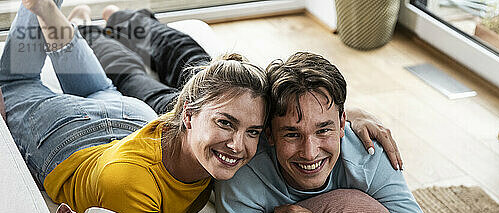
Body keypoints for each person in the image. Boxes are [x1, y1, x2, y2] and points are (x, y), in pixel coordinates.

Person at [1, 0, 281, 213]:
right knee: (15, 81)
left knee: (100, 90)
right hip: (72, 136)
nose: (238, 145)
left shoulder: (214, 148)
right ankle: (43, 8)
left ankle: (51, 11)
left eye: (252, 131)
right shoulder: (130, 183)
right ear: (187, 115)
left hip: (131, 119)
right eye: (225, 123)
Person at [215, 52, 444, 213]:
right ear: (269, 134)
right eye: (292, 135)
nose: (310, 152)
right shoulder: (243, 168)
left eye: (323, 129)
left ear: (343, 122)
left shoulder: (369, 155)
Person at [70, 4, 404, 170]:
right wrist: (357, 111)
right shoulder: (288, 125)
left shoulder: (286, 143)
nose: (309, 148)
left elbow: (311, 118)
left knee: (135, 79)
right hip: (228, 93)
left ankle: (87, 31)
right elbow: (297, 99)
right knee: (185, 53)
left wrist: (352, 115)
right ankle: (123, 18)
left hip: (215, 113)